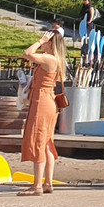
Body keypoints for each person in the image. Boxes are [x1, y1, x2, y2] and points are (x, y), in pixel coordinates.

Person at [19, 27, 67, 195]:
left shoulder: (49, 59)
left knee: (39, 141)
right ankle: (47, 183)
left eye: (46, 40)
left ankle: (37, 185)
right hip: (48, 100)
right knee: (46, 142)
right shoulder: (56, 59)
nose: (42, 41)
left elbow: (27, 53)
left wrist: (40, 42)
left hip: (42, 102)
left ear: (50, 42)